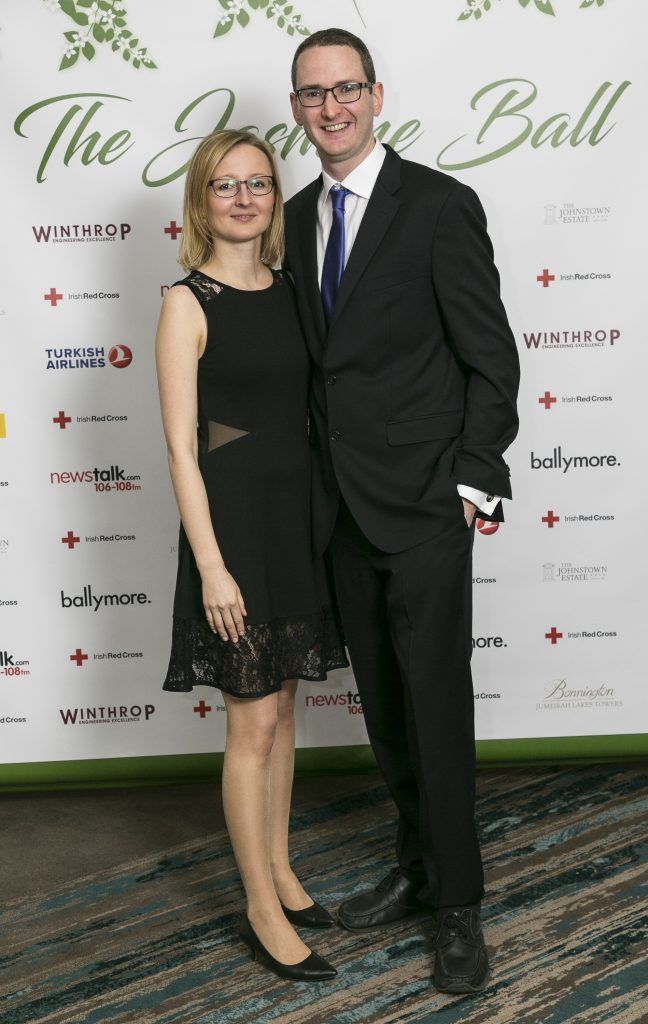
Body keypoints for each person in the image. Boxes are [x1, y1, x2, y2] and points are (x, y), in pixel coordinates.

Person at [285, 29, 520, 993]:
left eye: (347, 89)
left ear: (378, 95)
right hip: (340, 510)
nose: (331, 107)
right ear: (296, 106)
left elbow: (489, 355)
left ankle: (458, 905)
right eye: (312, 93)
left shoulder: (437, 204)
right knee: (383, 711)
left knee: (435, 704)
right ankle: (420, 867)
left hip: (426, 504)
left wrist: (473, 479)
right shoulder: (296, 215)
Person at [156, 129, 348, 983]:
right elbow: (182, 449)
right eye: (226, 186)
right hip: (231, 532)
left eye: (259, 184)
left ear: (275, 197)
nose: (244, 198)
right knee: (253, 721)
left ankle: (281, 869)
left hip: (294, 523)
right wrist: (211, 566)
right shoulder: (185, 302)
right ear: (201, 200)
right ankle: (260, 907)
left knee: (287, 715)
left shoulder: (293, 291)